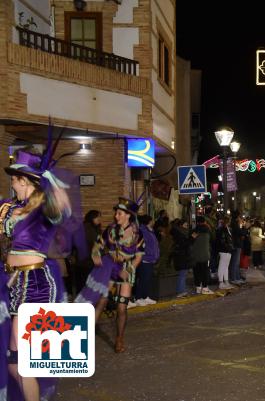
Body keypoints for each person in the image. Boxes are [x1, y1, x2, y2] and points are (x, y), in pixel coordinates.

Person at [2, 147, 74, 400]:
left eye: (14, 180)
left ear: (25, 181)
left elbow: (64, 211)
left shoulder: (45, 206)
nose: (11, 185)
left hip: (35, 283)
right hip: (13, 282)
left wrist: (50, 179)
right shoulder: (12, 208)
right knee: (14, 360)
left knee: (20, 358)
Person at [76, 197, 144, 353]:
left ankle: (119, 338)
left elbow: (139, 257)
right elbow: (98, 244)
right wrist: (95, 254)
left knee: (121, 308)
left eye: (119, 213)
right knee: (100, 302)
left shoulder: (137, 234)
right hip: (109, 269)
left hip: (126, 270)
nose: (116, 216)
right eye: (116, 213)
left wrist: (129, 269)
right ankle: (83, 338)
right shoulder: (111, 229)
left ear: (128, 215)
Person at [134, 215, 158, 306]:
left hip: (151, 259)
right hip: (145, 259)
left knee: (147, 279)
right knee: (143, 279)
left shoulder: (150, 231)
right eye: (152, 220)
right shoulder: (143, 231)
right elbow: (141, 245)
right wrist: (147, 253)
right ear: (149, 221)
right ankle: (138, 297)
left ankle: (145, 296)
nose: (154, 222)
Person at [189, 217, 213, 294]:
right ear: (205, 222)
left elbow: (190, 241)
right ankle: (205, 288)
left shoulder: (195, 231)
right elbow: (212, 240)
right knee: (205, 271)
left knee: (197, 272)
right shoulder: (208, 230)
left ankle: (198, 287)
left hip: (195, 255)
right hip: (205, 255)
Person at [171, 219, 190, 298]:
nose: (187, 227)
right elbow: (184, 244)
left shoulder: (180, 233)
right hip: (181, 256)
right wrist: (191, 239)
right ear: (181, 225)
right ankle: (181, 291)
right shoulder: (180, 234)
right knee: (182, 274)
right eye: (185, 225)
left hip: (182, 255)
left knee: (183, 274)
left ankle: (182, 290)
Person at [216, 215, 235, 290]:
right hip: (224, 250)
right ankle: (221, 282)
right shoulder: (222, 229)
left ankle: (226, 282)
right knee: (222, 266)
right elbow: (222, 241)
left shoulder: (227, 229)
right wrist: (228, 247)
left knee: (225, 266)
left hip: (227, 250)